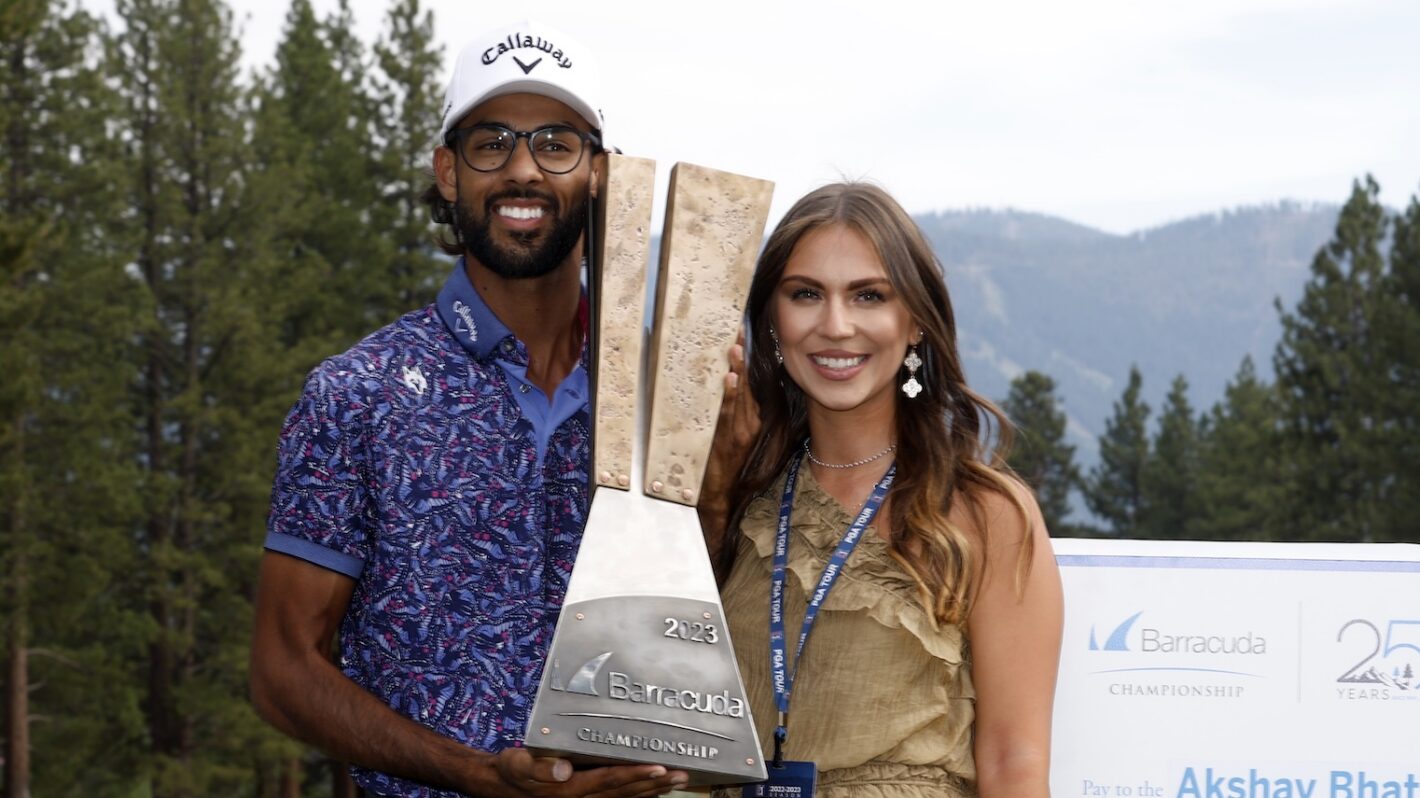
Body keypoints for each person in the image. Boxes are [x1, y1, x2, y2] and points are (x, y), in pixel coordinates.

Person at [249, 20, 691, 798]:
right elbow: (283, 670)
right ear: (449, 172)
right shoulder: (359, 395)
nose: (523, 170)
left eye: (556, 143)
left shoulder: (668, 394)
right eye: (492, 143)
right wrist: (476, 775)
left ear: (601, 175)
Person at [709, 183, 1064, 798]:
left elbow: (1014, 762)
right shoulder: (741, 492)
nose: (836, 325)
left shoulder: (985, 513)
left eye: (868, 295)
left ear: (916, 323)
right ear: (771, 320)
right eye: (806, 294)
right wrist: (712, 495)